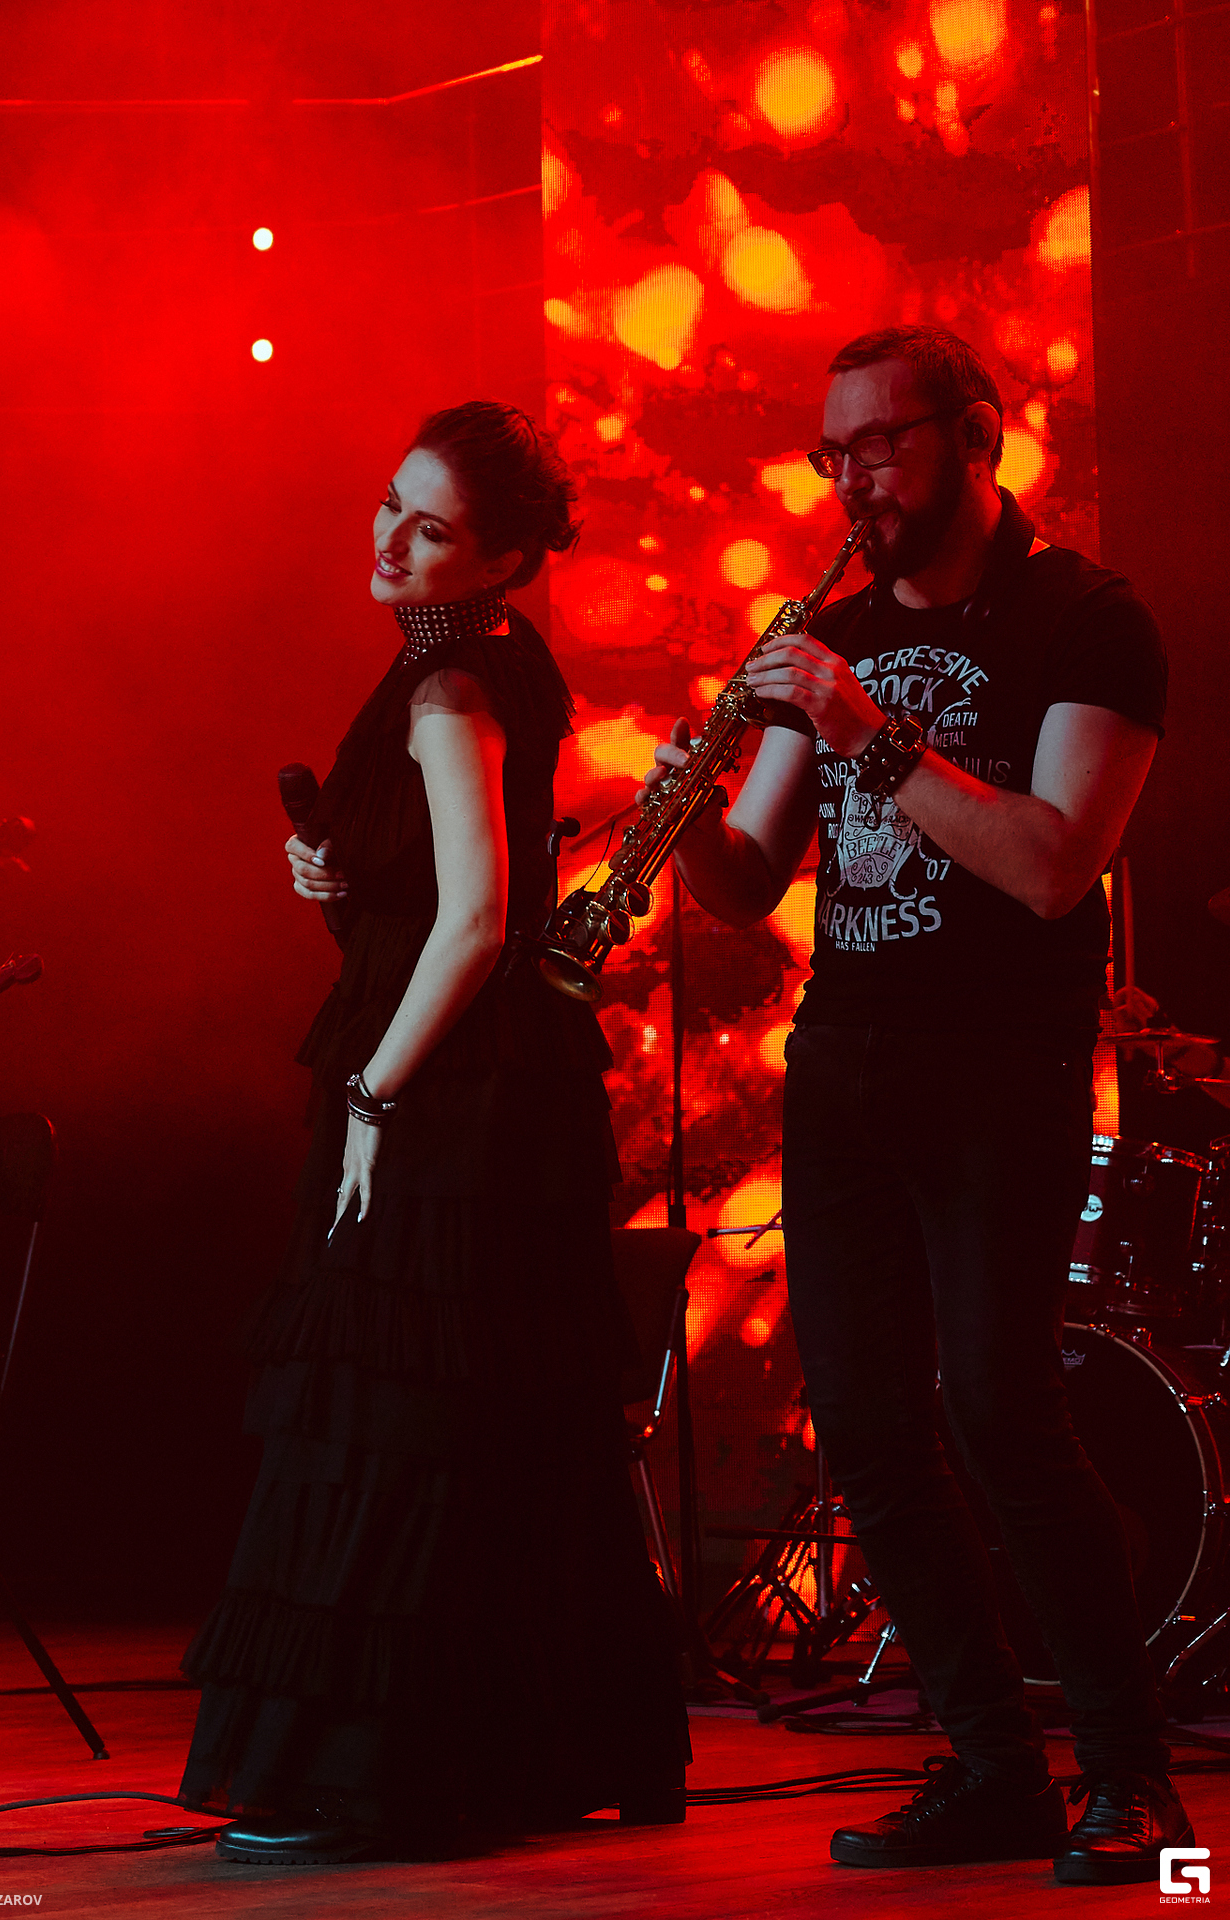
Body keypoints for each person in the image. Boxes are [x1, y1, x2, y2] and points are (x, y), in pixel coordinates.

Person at [643, 327, 1188, 1886]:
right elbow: (754, 878)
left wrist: (864, 727)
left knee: (1003, 1413)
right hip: (847, 1062)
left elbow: (1052, 865)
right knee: (873, 1433)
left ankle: (1136, 1785)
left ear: (979, 436)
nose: (853, 483)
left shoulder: (1086, 620)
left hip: (1002, 1063)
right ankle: (995, 1770)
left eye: (880, 446)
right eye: (835, 455)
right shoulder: (833, 632)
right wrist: (686, 810)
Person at [180, 401, 689, 1864]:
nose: (392, 540)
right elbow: (445, 896)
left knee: (394, 1416)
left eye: (433, 528)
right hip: (481, 1084)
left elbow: (478, 924)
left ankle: (366, 1774)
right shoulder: (479, 658)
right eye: (390, 502)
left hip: (453, 1096)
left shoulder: (451, 679)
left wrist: (373, 1094)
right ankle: (511, 1756)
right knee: (492, 1424)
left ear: (506, 559)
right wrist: (348, 882)